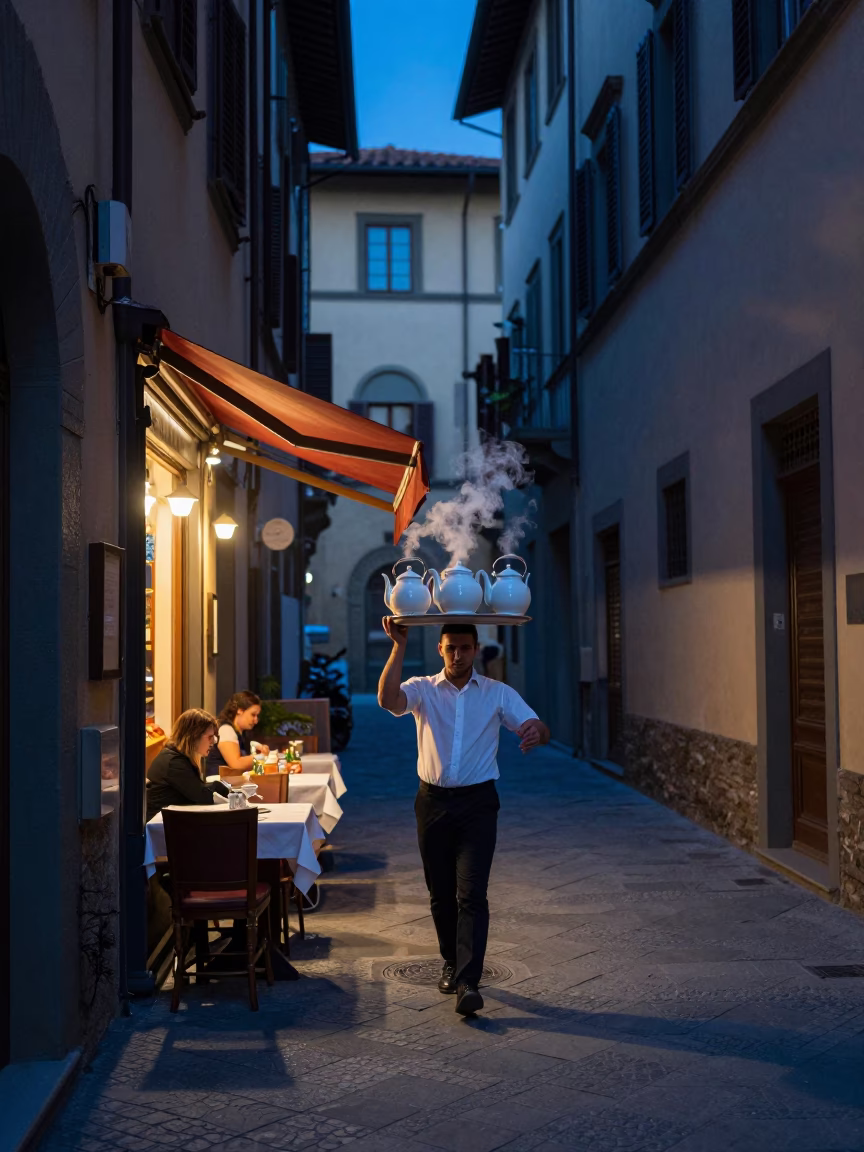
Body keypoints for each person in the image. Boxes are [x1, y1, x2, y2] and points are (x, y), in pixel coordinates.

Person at [378, 619, 549, 1017]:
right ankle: (451, 961)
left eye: (465, 648)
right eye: (451, 648)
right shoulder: (422, 689)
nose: (458, 655)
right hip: (432, 803)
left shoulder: (496, 693)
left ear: (476, 650)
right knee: (440, 893)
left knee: (471, 893)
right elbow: (388, 700)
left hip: (478, 805)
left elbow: (535, 721)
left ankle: (469, 981)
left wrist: (535, 732)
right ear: (440, 649)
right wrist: (398, 647)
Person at [146, 708, 230, 822]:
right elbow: (203, 796)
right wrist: (227, 789)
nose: (214, 742)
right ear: (193, 736)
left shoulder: (177, 757)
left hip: (172, 823)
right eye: (210, 737)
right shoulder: (174, 762)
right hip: (162, 830)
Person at [207, 690, 270, 777]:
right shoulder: (226, 729)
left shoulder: (240, 733)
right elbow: (236, 764)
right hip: (219, 784)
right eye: (253, 715)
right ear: (240, 711)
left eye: (257, 716)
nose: (256, 720)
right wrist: (262, 756)